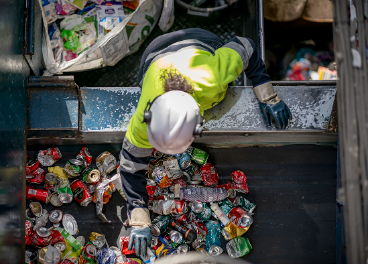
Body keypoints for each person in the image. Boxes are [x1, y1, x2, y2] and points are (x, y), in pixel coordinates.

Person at [119, 28, 292, 257]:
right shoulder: (144, 119)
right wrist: (139, 220)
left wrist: (267, 93)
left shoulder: (213, 77)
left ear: (199, 125)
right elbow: (130, 166)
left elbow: (246, 45)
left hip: (200, 40)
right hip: (153, 56)